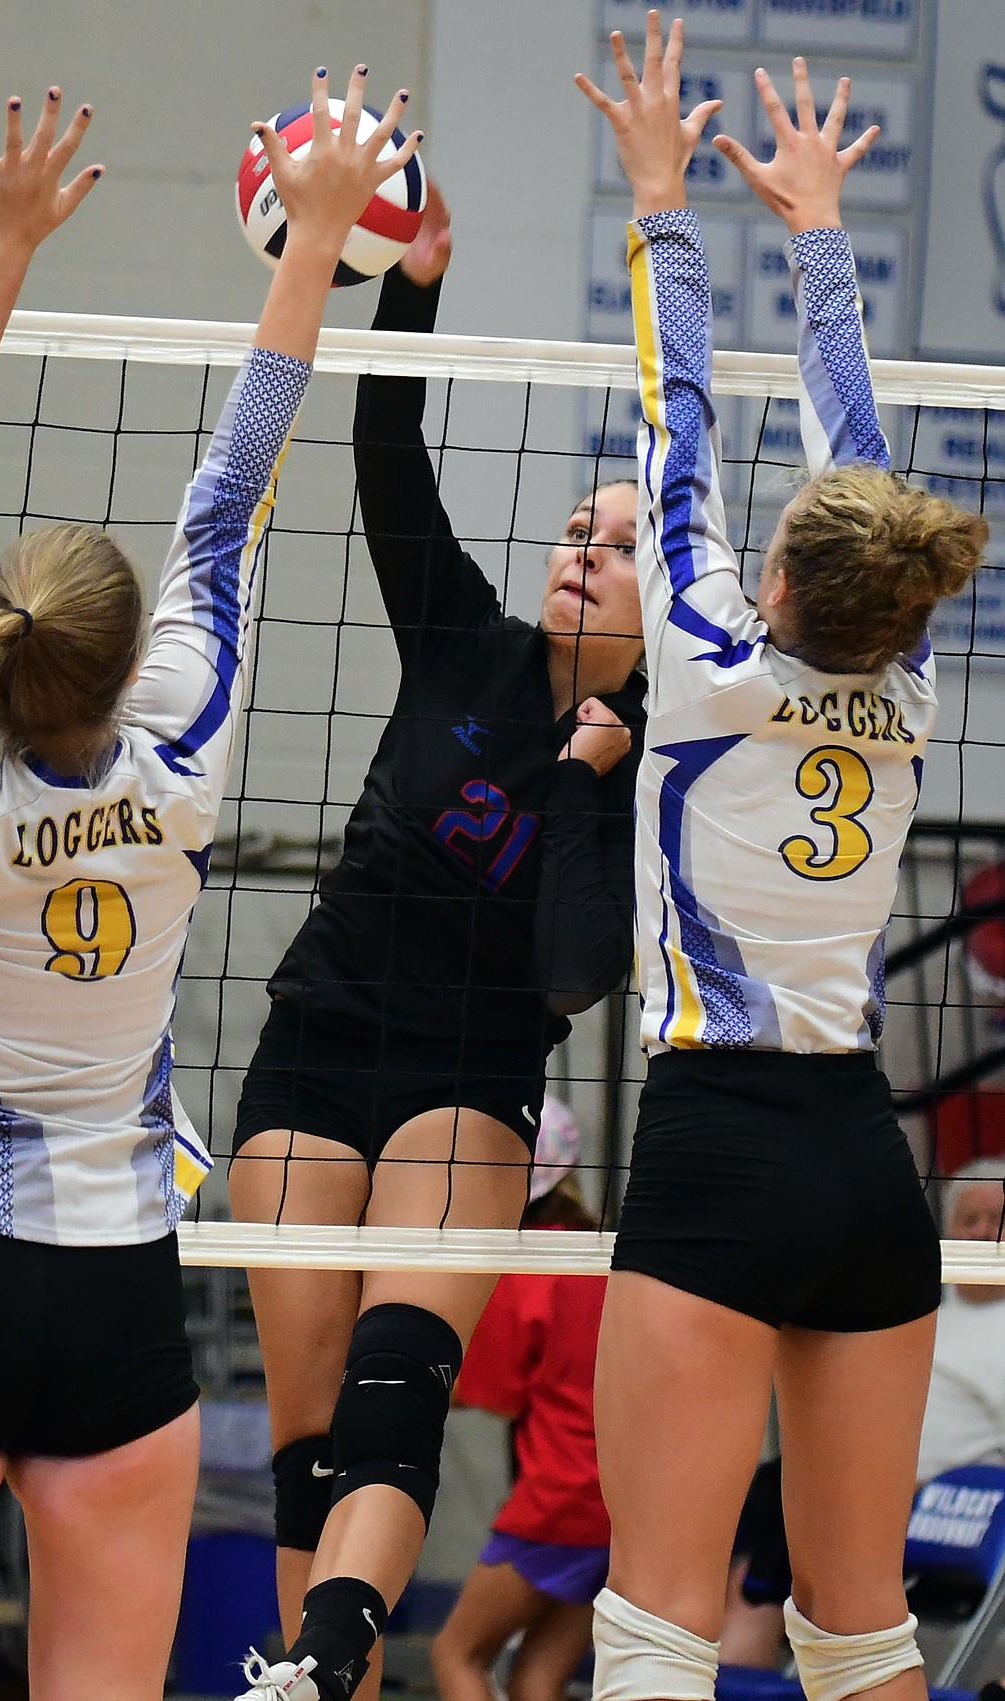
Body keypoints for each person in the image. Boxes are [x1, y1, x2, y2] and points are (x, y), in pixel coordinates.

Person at [0, 68, 419, 1701]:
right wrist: (311, 245)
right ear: (116, 656)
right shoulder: (185, 749)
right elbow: (232, 494)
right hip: (114, 1300)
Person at [572, 16, 990, 1701]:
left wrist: (665, 196)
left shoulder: (702, 666)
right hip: (861, 1168)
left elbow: (683, 425)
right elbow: (855, 459)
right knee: (860, 1631)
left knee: (660, 1624)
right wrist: (816, 229)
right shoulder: (913, 687)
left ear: (780, 592)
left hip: (719, 1151)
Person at [228, 182, 647, 1701]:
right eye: (572, 529)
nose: (578, 551)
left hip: (468, 1080)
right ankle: (296, 1673)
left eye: (612, 544)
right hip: (314, 1039)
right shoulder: (462, 635)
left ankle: (327, 1663)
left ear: (659, 615)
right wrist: (412, 284)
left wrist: (590, 791)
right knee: (303, 1425)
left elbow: (573, 977)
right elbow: (386, 450)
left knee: (396, 1388)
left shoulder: (641, 760)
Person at [722, 1158, 1005, 1671]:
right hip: (833, 1478)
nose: (986, 1232)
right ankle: (737, 1652)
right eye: (971, 1220)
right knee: (760, 1485)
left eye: (999, 1219)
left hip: (916, 1500)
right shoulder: (918, 1307)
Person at [431, 1098, 609, 1701]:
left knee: (457, 1655)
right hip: (626, 1501)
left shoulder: (526, 1264)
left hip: (564, 1497)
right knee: (538, 1681)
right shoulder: (598, 1253)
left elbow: (490, 1390)